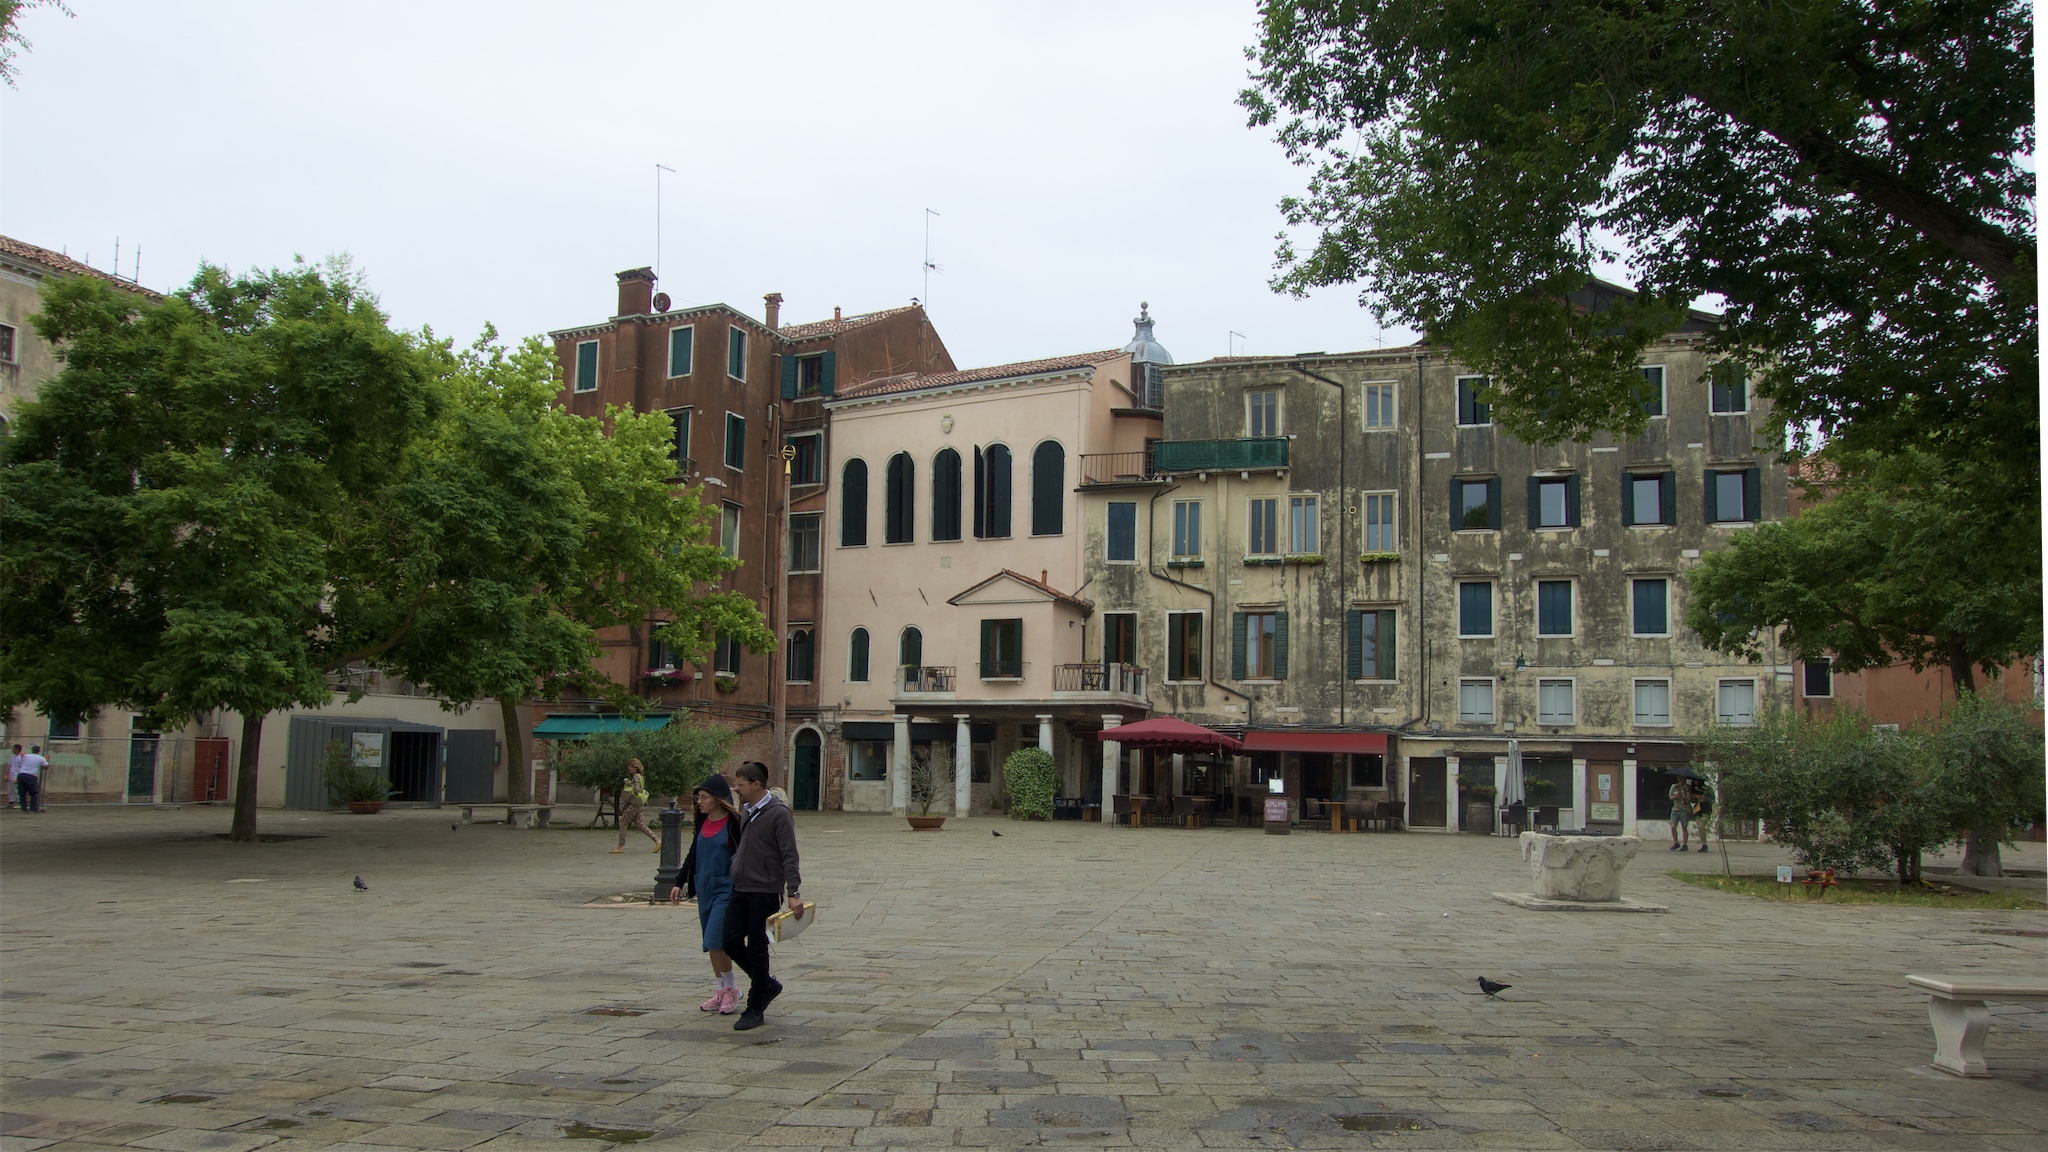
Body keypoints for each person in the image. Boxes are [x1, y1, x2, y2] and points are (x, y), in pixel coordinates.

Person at [724, 760, 801, 1031]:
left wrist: (793, 892)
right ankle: (765, 984)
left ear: (756, 785)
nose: (737, 789)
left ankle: (755, 1007)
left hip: (765, 891)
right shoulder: (747, 810)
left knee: (758, 947)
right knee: (729, 940)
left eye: (740, 784)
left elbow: (789, 854)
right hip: (741, 888)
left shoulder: (778, 814)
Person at [679, 773, 743, 1014]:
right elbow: (693, 853)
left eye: (705, 797)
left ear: (718, 798)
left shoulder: (734, 823)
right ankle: (721, 988)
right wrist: (679, 881)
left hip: (726, 888)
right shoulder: (702, 822)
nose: (700, 802)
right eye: (698, 798)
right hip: (704, 887)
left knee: (715, 940)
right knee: (709, 942)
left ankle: (732, 989)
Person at [610, 758, 657, 853]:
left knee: (623, 823)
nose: (629, 768)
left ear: (637, 767)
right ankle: (657, 841)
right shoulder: (640, 777)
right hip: (639, 804)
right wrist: (628, 782)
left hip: (634, 804)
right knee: (640, 824)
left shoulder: (636, 776)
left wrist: (628, 798)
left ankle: (620, 847)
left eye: (632, 766)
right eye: (629, 766)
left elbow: (636, 790)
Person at [16, 744, 47, 813]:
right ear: (39, 751)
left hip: (21, 774)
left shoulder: (25, 756)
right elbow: (45, 767)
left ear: (32, 750)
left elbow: (20, 759)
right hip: (31, 776)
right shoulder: (41, 758)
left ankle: (24, 809)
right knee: (34, 793)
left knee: (22, 793)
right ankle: (33, 808)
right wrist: (46, 760)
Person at [1667, 776, 1696, 851]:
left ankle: (1685, 844)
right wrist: (1675, 796)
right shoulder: (1674, 786)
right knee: (1673, 826)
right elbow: (1670, 797)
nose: (1680, 779)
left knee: (1684, 827)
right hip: (1676, 808)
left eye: (1682, 778)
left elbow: (1689, 799)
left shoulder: (1688, 787)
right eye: (1679, 778)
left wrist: (1687, 791)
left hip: (1684, 809)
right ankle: (1676, 842)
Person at [6, 744, 21, 809]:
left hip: (16, 775)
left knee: (16, 789)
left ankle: (20, 802)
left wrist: (18, 776)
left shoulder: (21, 757)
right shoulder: (12, 756)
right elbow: (10, 765)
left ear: (17, 749)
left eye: (13, 749)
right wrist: (7, 774)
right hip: (11, 775)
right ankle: (11, 801)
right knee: (10, 789)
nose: (12, 750)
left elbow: (21, 767)